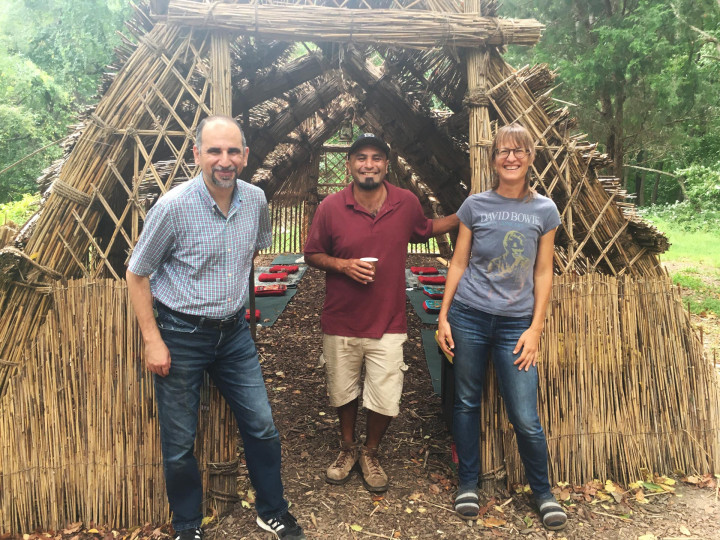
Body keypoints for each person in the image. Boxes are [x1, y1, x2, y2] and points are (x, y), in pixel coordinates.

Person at [126, 116, 305, 540]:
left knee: (261, 425)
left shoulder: (256, 200)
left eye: (232, 151)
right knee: (180, 441)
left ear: (244, 155)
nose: (223, 161)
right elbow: (136, 274)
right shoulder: (173, 207)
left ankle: (271, 510)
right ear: (197, 156)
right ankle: (188, 525)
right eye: (214, 151)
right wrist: (153, 340)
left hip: (234, 335)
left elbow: (251, 255)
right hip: (181, 334)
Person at [304, 133, 459, 492]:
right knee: (342, 390)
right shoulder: (331, 206)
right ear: (349, 165)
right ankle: (347, 448)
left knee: (386, 393)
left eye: (376, 158)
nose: (368, 164)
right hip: (341, 318)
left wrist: (463, 215)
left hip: (389, 320)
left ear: (386, 165)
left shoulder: (405, 202)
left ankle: (370, 452)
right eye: (360, 157)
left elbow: (424, 230)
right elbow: (312, 253)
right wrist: (343, 266)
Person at [436, 123, 567, 530]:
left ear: (530, 157)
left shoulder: (545, 210)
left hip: (515, 326)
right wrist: (443, 316)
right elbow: (458, 262)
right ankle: (468, 483)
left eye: (519, 151)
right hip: (469, 316)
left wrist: (535, 329)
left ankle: (542, 492)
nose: (511, 158)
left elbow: (543, 273)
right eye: (503, 151)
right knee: (466, 402)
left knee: (525, 415)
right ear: (492, 159)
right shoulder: (475, 205)